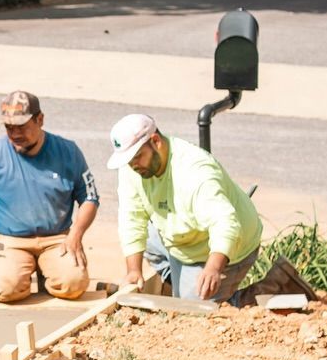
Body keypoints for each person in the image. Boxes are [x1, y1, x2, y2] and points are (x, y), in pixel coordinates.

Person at [0, 91, 98, 302]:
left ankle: (48, 275)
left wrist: (76, 234)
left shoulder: (68, 151)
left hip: (58, 238)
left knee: (73, 284)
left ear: (40, 119)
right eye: (8, 127)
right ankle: (22, 275)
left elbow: (89, 197)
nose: (14, 133)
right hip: (10, 241)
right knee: (5, 288)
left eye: (21, 126)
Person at [107, 113, 262, 303]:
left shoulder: (194, 171)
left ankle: (274, 287)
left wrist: (213, 269)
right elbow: (131, 217)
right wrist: (133, 271)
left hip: (227, 244)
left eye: (138, 157)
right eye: (129, 161)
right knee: (146, 238)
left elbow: (225, 224)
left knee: (194, 313)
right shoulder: (133, 167)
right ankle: (186, 285)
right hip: (180, 237)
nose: (134, 165)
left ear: (155, 141)